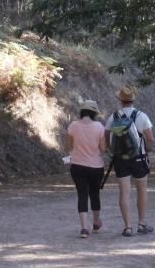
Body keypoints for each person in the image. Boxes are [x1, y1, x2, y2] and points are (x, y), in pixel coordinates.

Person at [105, 84, 155, 237]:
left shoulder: (113, 117)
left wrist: (111, 150)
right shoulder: (142, 116)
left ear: (120, 100)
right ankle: (141, 223)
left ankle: (127, 227)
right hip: (139, 158)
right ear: (133, 99)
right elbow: (150, 139)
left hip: (120, 159)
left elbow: (106, 137)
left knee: (124, 193)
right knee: (141, 191)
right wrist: (147, 151)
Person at [65, 99, 107, 238]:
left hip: (77, 166)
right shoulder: (99, 127)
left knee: (82, 195)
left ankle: (84, 228)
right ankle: (96, 222)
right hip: (96, 166)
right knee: (95, 194)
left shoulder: (73, 126)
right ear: (94, 113)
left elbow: (68, 147)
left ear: (82, 112)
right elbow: (103, 149)